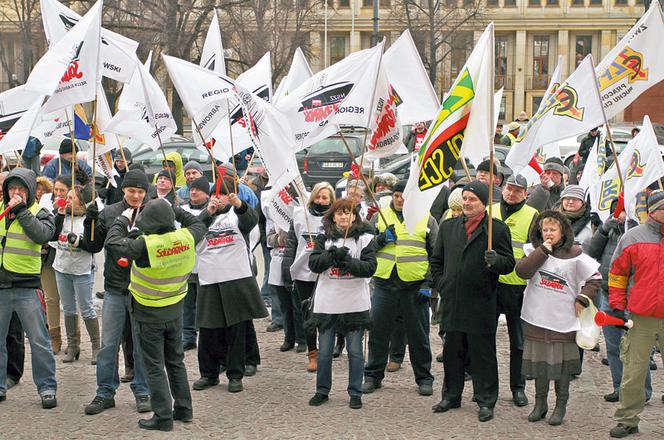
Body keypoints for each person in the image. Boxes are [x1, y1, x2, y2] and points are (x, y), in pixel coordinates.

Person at [106, 198, 205, 431]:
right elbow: (198, 223)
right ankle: (184, 408)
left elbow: (112, 243)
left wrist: (122, 219)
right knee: (175, 362)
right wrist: (176, 210)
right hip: (175, 310)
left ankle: (162, 417)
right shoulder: (186, 237)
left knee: (154, 366)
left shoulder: (144, 246)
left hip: (148, 312)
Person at [430, 181, 515, 422]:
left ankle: (486, 399)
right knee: (452, 351)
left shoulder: (495, 230)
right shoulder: (448, 227)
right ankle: (451, 395)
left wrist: (496, 260)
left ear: (483, 203)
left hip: (481, 302)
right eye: (465, 198)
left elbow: (509, 264)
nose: (467, 202)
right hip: (453, 300)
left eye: (472, 199)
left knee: (482, 354)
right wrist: (442, 283)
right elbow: (437, 261)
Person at [515, 210, 601, 426]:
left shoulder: (576, 255)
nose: (548, 232)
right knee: (539, 365)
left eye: (553, 229)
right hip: (536, 317)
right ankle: (540, 404)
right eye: (545, 229)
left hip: (564, 321)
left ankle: (560, 405)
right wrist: (543, 250)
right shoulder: (533, 250)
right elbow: (523, 272)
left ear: (563, 231)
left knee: (562, 368)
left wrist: (582, 298)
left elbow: (595, 279)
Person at [82, 169, 152, 416]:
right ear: (123, 190)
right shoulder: (110, 212)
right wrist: (90, 220)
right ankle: (105, 392)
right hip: (115, 287)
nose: (136, 195)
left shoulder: (152, 213)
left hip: (144, 288)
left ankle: (143, 391)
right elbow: (92, 245)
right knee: (108, 344)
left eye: (140, 191)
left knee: (141, 344)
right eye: (131, 191)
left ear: (146, 193)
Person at [192, 176, 268, 393]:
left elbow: (251, 221)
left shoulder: (237, 215)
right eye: (217, 194)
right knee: (208, 331)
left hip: (236, 278)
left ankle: (236, 374)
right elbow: (194, 232)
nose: (220, 198)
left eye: (224, 194)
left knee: (236, 329)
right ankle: (209, 373)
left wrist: (240, 205)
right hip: (210, 279)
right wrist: (208, 212)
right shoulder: (202, 215)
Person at [363, 179, 438, 397]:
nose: (399, 199)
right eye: (396, 195)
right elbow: (365, 248)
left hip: (414, 286)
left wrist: (428, 284)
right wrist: (380, 240)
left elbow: (436, 254)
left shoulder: (427, 218)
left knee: (418, 336)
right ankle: (372, 376)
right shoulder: (379, 217)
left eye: (403, 196)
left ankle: (424, 378)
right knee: (378, 332)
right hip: (384, 283)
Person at [307, 198, 376, 409]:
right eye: (340, 213)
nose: (344, 216)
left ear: (355, 216)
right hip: (328, 303)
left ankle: (355, 391)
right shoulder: (323, 237)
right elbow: (314, 264)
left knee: (355, 352)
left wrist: (349, 262)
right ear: (333, 216)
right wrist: (330, 255)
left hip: (354, 304)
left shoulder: (365, 239)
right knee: (325, 351)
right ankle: (322, 390)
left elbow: (369, 267)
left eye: (348, 213)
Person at [607, 190, 664, 438]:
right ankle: (628, 419)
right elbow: (617, 274)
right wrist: (617, 306)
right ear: (653, 211)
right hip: (641, 317)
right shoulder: (632, 237)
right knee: (634, 371)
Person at [0, 168, 58, 409]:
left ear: (31, 191)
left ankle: (46, 387)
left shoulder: (40, 213)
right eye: (12, 188)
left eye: (21, 189)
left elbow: (41, 234)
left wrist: (21, 210)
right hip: (1, 285)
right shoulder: (2, 211)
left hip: (28, 286)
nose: (16, 193)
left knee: (39, 340)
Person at [587, 207, 652, 404]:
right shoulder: (610, 230)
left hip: (635, 298)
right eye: (618, 209)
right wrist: (604, 229)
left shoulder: (642, 233)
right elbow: (591, 251)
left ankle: (643, 390)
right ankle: (619, 387)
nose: (622, 214)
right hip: (609, 294)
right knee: (614, 346)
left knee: (636, 349)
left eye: (625, 209)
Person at [490, 174, 538, 407]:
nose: (512, 193)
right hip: (491, 283)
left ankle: (518, 387)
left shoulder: (532, 215)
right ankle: (488, 387)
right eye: (509, 188)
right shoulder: (489, 210)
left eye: (518, 190)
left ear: (526, 194)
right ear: (502, 188)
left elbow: (536, 251)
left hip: (518, 286)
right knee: (485, 337)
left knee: (518, 341)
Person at [282, 182, 335, 372]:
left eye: (325, 198)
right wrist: (286, 268)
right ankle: (312, 353)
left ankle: (327, 349)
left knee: (326, 314)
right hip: (303, 272)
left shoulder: (336, 217)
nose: (321, 201)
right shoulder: (299, 214)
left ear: (331, 200)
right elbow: (291, 243)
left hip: (325, 273)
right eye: (318, 197)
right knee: (308, 315)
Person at [52, 182, 99, 364]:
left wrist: (78, 241)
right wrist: (59, 215)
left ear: (81, 202)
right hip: (62, 268)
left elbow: (93, 245)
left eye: (71, 198)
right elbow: (52, 235)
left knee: (86, 308)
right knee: (69, 308)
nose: (67, 200)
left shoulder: (87, 219)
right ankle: (73, 346)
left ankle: (96, 346)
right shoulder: (63, 216)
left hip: (82, 270)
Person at [179, 176, 211, 351]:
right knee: (187, 304)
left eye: (197, 189)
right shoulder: (182, 210)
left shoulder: (212, 211)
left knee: (204, 304)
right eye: (191, 189)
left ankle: (205, 334)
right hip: (187, 264)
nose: (193, 191)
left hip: (206, 265)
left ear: (206, 193)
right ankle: (188, 336)